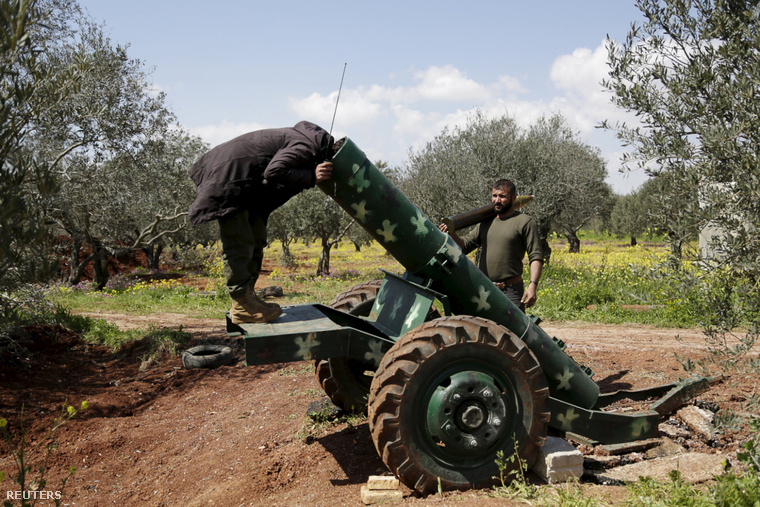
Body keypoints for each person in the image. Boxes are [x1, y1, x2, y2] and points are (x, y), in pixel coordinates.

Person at [188, 121, 334, 324]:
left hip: (244, 185)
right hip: (230, 180)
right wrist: (312, 176)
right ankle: (242, 303)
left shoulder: (303, 140)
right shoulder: (308, 146)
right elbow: (273, 171)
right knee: (240, 241)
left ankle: (247, 301)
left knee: (256, 238)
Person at [439, 179, 543, 312]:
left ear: (514, 198)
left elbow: (536, 257)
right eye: (494, 196)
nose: (497, 200)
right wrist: (451, 233)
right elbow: (464, 247)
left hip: (511, 291)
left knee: (513, 332)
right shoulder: (485, 222)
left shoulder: (525, 222)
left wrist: (532, 286)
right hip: (484, 290)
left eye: (502, 196)